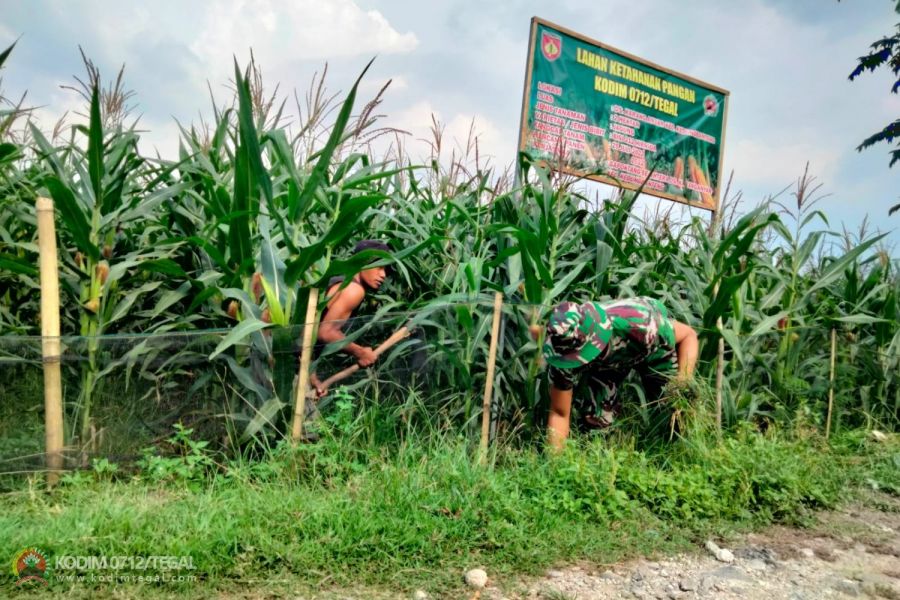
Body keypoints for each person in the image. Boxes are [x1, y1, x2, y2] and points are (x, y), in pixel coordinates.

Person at [541, 296, 698, 449]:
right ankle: (601, 458)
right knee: (596, 425)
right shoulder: (562, 353)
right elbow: (559, 413)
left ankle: (675, 453)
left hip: (650, 350)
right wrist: (554, 465)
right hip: (605, 364)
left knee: (673, 410)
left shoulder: (643, 325)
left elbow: (689, 335)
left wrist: (683, 380)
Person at [309, 240, 392, 398]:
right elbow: (326, 332)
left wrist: (312, 379)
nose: (383, 275)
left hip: (290, 362)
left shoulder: (339, 280)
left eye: (386, 270)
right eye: (379, 267)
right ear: (362, 262)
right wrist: (360, 352)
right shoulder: (353, 290)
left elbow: (306, 339)